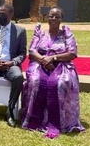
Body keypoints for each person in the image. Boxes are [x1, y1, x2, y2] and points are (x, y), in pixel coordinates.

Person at [21, 7, 85, 138]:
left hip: (61, 65)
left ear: (62, 19)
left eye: (57, 16)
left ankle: (57, 121)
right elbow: (32, 51)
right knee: (35, 81)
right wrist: (44, 60)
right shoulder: (40, 33)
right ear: (47, 18)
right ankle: (34, 118)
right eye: (51, 16)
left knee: (60, 83)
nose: (54, 19)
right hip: (40, 63)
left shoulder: (66, 34)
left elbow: (72, 53)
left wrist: (54, 58)